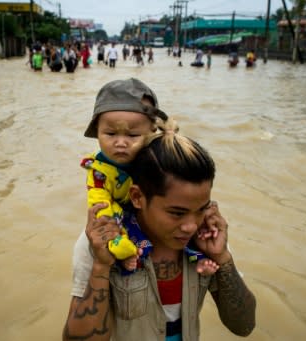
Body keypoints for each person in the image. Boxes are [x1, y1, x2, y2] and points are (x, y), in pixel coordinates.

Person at [63, 82, 256, 341]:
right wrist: (101, 267)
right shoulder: (101, 242)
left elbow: (243, 327)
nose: (189, 225)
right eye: (176, 213)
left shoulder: (203, 239)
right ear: (137, 197)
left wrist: (222, 258)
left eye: (200, 210)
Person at [80, 78, 218, 273]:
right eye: (110, 134)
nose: (121, 143)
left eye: (133, 136)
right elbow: (100, 205)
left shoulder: (199, 229)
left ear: (151, 132)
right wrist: (109, 250)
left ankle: (198, 258)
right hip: (118, 217)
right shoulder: (99, 174)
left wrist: (205, 214)